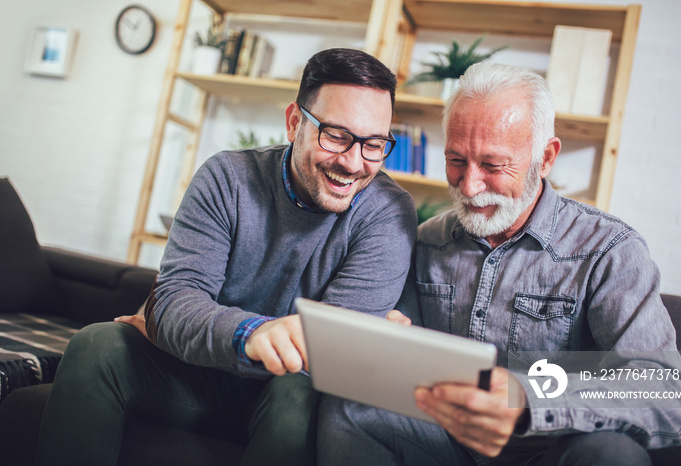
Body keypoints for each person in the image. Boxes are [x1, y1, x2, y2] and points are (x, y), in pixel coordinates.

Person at [36, 48, 418, 466]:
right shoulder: (227, 178)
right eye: (336, 135)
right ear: (295, 122)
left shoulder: (388, 215)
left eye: (374, 145)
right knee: (97, 345)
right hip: (194, 379)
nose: (352, 162)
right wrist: (251, 335)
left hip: (284, 396)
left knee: (299, 389)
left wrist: (179, 327)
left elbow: (329, 354)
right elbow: (175, 301)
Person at [317, 62, 681, 466]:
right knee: (350, 407)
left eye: (494, 166)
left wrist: (528, 399)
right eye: (456, 160)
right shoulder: (427, 240)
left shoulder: (609, 251)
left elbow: (666, 391)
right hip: (440, 446)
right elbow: (397, 354)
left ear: (546, 157)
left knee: (611, 452)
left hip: (547, 452)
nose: (469, 186)